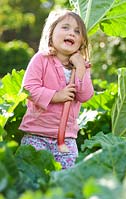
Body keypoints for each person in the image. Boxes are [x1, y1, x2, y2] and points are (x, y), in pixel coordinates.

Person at [19, 9, 94, 169]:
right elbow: (29, 88)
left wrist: (80, 67)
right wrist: (56, 96)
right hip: (36, 134)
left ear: (82, 41)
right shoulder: (41, 59)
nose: (71, 33)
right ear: (51, 33)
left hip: (65, 140)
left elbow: (85, 95)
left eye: (77, 31)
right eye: (65, 28)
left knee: (65, 178)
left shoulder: (81, 66)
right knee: (31, 174)